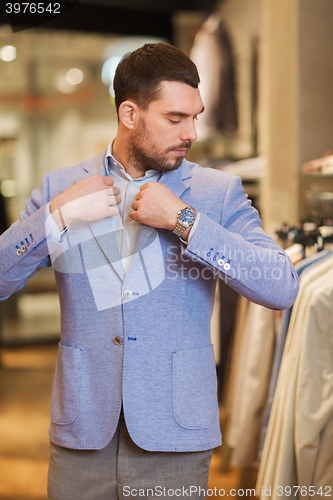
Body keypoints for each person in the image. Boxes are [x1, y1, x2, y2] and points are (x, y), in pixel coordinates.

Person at [0, 43, 299, 499]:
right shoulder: (60, 188)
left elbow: (281, 285)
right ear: (129, 114)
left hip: (175, 435)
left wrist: (185, 220)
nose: (191, 132)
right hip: (82, 434)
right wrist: (55, 218)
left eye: (195, 117)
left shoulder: (217, 193)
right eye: (175, 119)